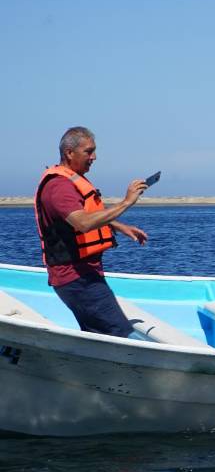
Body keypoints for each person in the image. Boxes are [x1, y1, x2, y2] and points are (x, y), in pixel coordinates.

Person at [33, 126, 150, 337]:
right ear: (69, 153)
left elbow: (84, 212)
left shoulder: (72, 180)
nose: (94, 157)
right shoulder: (59, 187)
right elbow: (83, 223)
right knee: (120, 334)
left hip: (84, 273)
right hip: (75, 278)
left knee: (98, 334)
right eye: (88, 151)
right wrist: (126, 202)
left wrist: (118, 226)